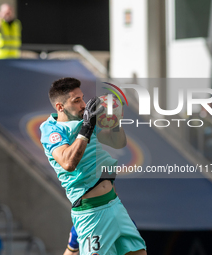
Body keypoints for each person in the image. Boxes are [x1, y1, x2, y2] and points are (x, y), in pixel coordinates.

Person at [40, 78, 146, 255]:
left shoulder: (86, 120)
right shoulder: (51, 129)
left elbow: (117, 142)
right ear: (60, 107)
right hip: (91, 213)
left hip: (114, 204)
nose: (83, 104)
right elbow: (68, 162)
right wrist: (87, 127)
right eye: (76, 101)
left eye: (82, 98)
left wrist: (114, 122)